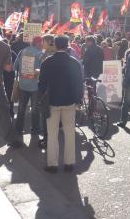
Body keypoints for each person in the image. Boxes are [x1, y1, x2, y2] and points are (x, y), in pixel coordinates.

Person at [39, 36, 83, 173]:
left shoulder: (48, 62)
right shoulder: (74, 62)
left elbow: (42, 84)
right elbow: (78, 84)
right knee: (69, 133)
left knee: (52, 135)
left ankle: (52, 164)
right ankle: (69, 163)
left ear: (55, 45)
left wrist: (41, 98)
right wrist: (78, 100)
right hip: (69, 102)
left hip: (52, 101)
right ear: (67, 45)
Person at [14, 36, 43, 135]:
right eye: (41, 43)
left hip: (22, 84)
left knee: (21, 108)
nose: (42, 45)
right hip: (35, 85)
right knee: (35, 109)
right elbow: (42, 71)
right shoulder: (40, 54)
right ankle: (35, 129)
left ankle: (18, 128)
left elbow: (15, 66)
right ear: (38, 43)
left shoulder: (22, 51)